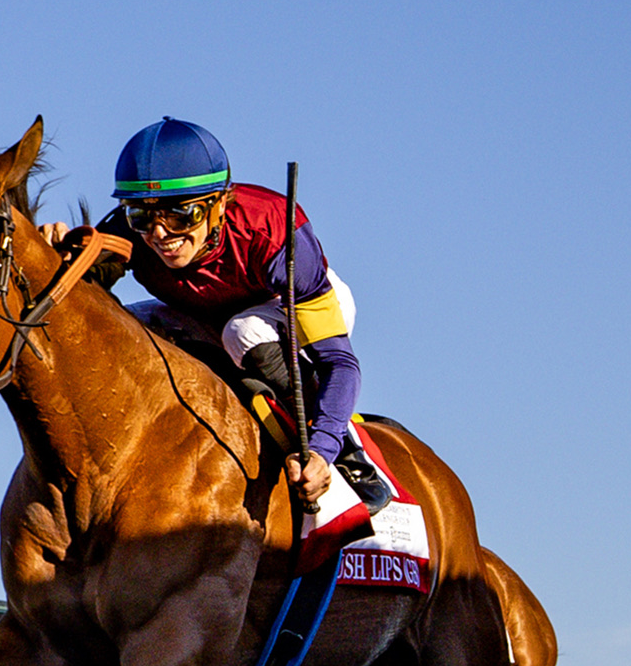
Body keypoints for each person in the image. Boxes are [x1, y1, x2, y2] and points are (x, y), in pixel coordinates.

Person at [46, 117, 390, 511]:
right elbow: (80, 291)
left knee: (243, 332)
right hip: (204, 313)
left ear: (221, 202)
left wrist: (323, 447)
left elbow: (339, 362)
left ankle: (348, 457)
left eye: (181, 215)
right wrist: (52, 253)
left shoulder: (275, 236)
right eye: (143, 215)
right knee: (126, 327)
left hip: (283, 306)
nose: (160, 234)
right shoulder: (129, 233)